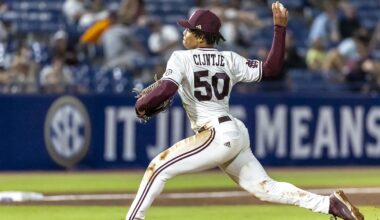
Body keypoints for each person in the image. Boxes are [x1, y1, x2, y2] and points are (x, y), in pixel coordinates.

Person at [126, 2, 364, 220]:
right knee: (266, 188)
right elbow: (272, 68)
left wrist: (141, 105)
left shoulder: (180, 58)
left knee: (157, 168)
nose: (184, 32)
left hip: (215, 135)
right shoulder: (229, 59)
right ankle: (329, 204)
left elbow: (166, 89)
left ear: (200, 37)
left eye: (189, 29)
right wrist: (279, 30)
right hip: (234, 131)